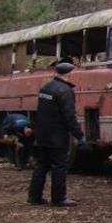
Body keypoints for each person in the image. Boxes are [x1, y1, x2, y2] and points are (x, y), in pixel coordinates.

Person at [28, 58, 87, 207]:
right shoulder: (65, 91)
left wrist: (34, 128)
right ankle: (59, 197)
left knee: (41, 165)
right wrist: (79, 136)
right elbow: (69, 116)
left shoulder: (45, 88)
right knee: (59, 165)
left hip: (42, 134)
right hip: (57, 135)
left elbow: (38, 112)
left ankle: (34, 196)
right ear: (69, 74)